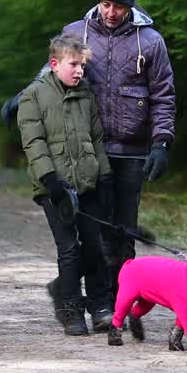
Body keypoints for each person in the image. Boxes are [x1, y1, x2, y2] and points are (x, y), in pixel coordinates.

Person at [4, 0, 176, 331]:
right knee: (93, 233)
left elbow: (163, 95)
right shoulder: (75, 32)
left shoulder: (151, 41)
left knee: (122, 233)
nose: (111, 12)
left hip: (131, 150)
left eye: (119, 5)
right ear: (98, 1)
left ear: (131, 6)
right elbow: (51, 72)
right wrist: (21, 98)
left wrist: (161, 142)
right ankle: (85, 298)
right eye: (106, 4)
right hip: (84, 146)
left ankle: (115, 305)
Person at [16, 35, 114, 336]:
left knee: (95, 247)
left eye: (82, 66)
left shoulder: (85, 95)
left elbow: (96, 139)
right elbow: (34, 143)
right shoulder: (33, 96)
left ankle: (100, 307)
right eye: (74, 65)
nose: (79, 71)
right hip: (55, 189)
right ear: (55, 64)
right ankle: (71, 310)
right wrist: (50, 180)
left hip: (87, 183)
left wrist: (105, 176)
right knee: (69, 249)